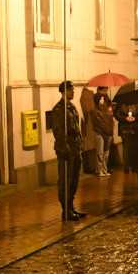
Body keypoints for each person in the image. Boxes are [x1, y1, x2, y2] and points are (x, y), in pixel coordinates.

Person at [51, 81, 86, 221]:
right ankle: (65, 209)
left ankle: (71, 206)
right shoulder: (59, 109)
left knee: (74, 179)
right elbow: (59, 132)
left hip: (75, 147)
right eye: (71, 90)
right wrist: (65, 148)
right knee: (66, 179)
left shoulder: (71, 107)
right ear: (64, 91)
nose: (73, 92)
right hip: (66, 148)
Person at [90, 93, 114, 177]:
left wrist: (110, 113)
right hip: (100, 132)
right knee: (100, 152)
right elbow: (99, 123)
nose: (102, 101)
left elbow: (110, 121)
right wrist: (108, 130)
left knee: (106, 153)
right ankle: (99, 170)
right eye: (101, 99)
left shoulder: (106, 109)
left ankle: (104, 169)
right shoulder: (95, 111)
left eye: (103, 99)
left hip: (107, 133)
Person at [114, 103, 138, 174]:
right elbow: (117, 115)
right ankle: (126, 166)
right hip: (124, 129)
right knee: (126, 148)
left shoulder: (136, 104)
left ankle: (134, 166)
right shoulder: (121, 104)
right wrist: (125, 118)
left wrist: (135, 118)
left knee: (135, 148)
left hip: (134, 129)